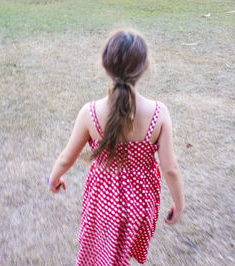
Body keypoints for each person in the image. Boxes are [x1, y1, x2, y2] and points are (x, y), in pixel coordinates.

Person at [48, 29, 185, 265]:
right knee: (123, 254)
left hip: (103, 202)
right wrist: (179, 204)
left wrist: (54, 179)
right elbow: (170, 167)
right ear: (145, 67)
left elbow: (66, 158)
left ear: (105, 66)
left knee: (102, 255)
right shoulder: (159, 114)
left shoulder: (89, 113)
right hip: (139, 205)